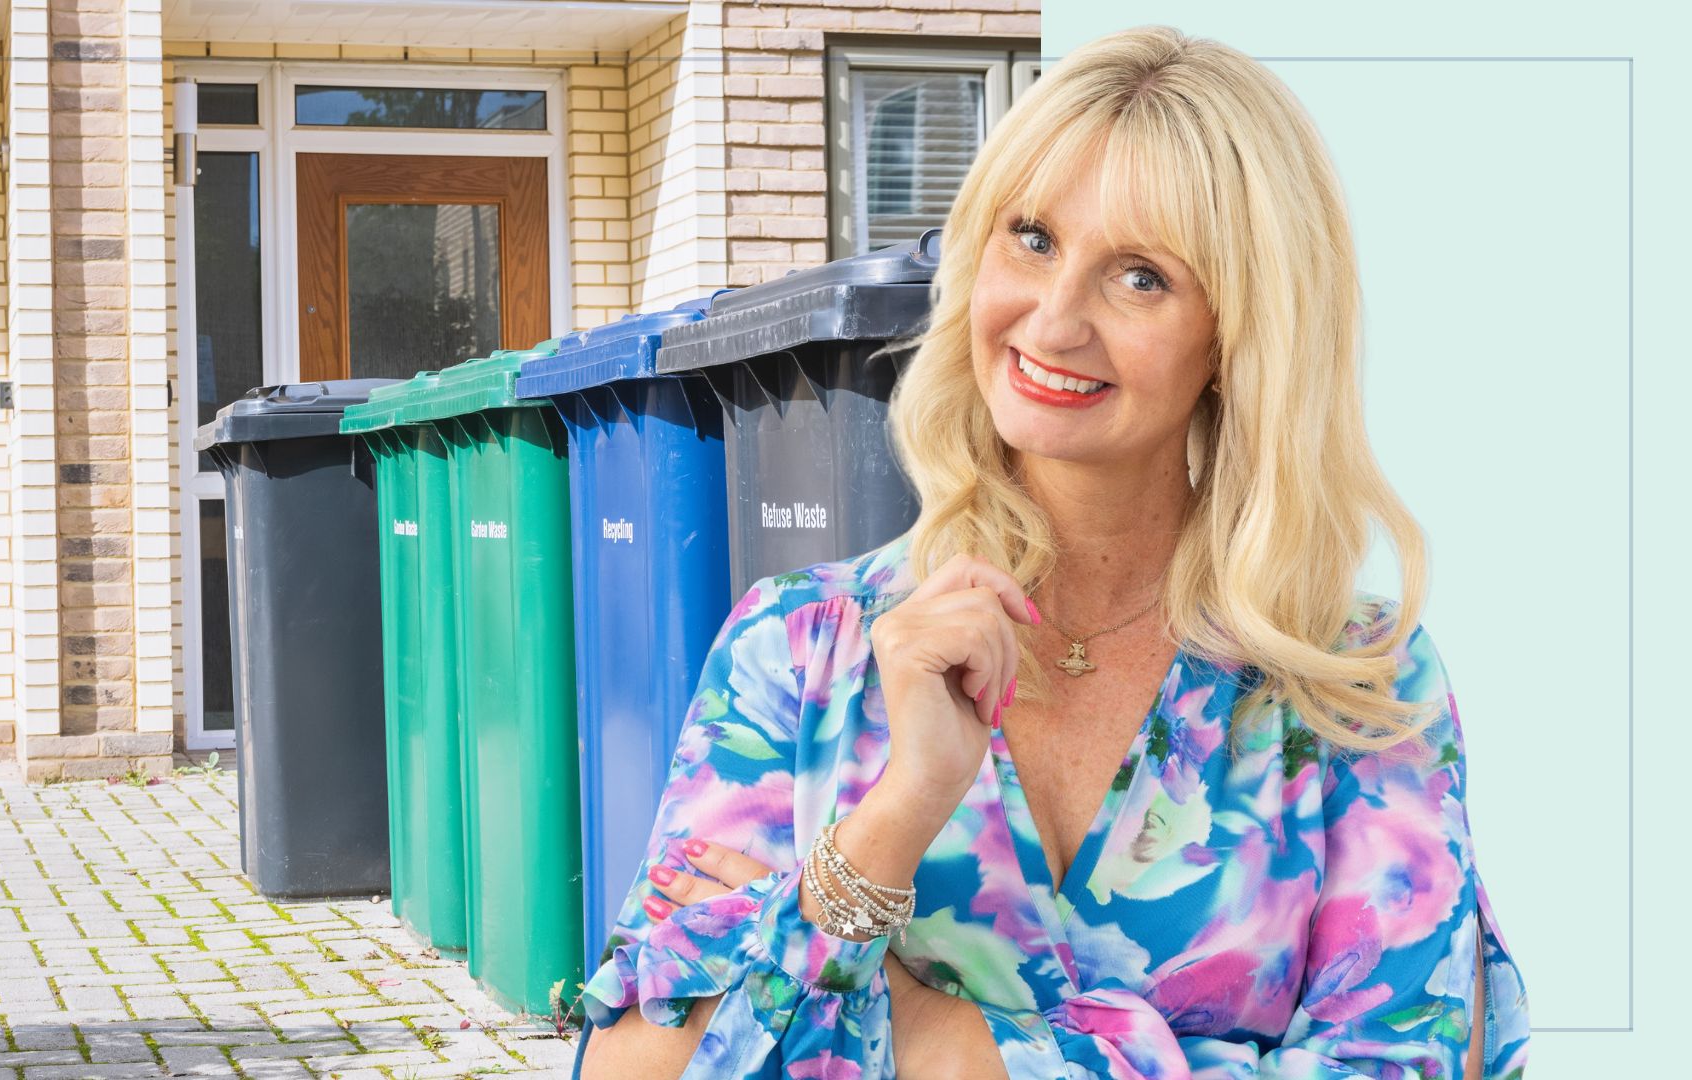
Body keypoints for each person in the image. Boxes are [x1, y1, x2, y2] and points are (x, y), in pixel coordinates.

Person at [573, 23, 1531, 1080]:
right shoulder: (799, 649)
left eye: (1141, 278)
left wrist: (942, 1046)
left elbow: (1412, 1065)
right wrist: (896, 816)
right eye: (1032, 237)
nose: (1055, 317)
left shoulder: (1355, 688)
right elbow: (634, 1064)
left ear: (1239, 336)